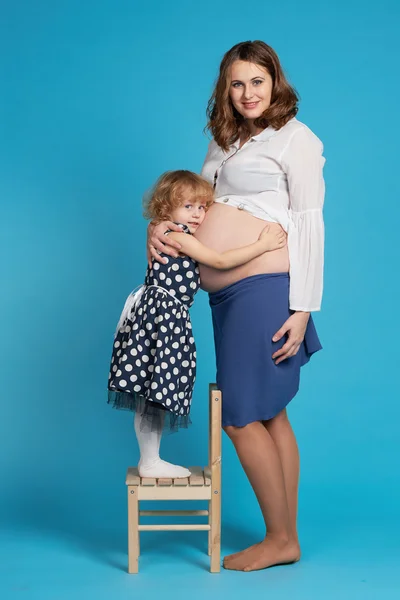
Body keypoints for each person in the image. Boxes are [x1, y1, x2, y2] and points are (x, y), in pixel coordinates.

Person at [147, 41, 325, 571]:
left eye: (257, 81)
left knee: (240, 415)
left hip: (267, 293)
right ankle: (286, 534)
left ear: (276, 83)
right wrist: (162, 227)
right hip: (225, 296)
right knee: (270, 416)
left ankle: (278, 539)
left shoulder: (296, 140)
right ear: (226, 88)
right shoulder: (224, 142)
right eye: (237, 83)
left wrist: (303, 308)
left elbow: (310, 225)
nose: (248, 93)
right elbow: (198, 207)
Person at [108, 169, 286, 480]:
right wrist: (263, 245)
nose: (197, 214)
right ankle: (149, 460)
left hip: (168, 316)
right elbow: (217, 261)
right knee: (154, 386)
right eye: (188, 206)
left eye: (202, 207)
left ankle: (151, 458)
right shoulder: (174, 235)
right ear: (166, 208)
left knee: (157, 385)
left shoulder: (171, 232)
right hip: (162, 317)